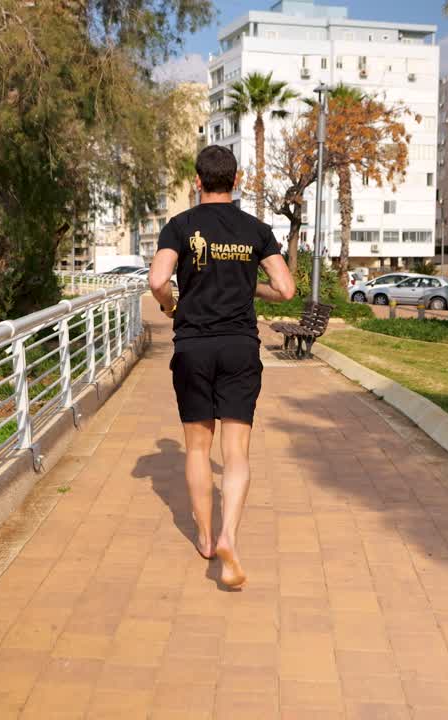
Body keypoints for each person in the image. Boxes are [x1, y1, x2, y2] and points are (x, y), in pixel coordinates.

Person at [148, 145, 296, 588]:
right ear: (237, 179)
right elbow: (285, 288)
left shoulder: (180, 226)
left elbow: (157, 280)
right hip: (239, 347)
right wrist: (251, 287)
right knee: (237, 452)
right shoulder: (256, 229)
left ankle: (208, 538)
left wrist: (170, 303)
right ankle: (231, 533)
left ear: (197, 181)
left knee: (197, 448)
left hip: (193, 345)